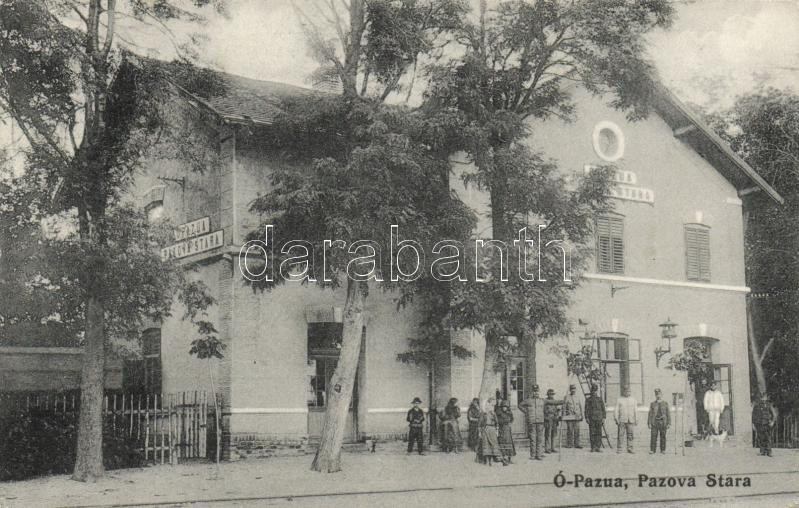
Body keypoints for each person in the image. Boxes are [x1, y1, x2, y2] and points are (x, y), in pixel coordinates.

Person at [519, 385, 545, 460]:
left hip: (540, 421)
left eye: (537, 391)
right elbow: (520, 405)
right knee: (533, 439)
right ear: (532, 392)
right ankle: (533, 455)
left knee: (540, 439)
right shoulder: (528, 400)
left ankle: (539, 455)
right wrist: (526, 412)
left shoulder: (542, 400)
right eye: (534, 391)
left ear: (539, 392)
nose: (536, 393)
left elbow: (553, 402)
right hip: (532, 422)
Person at [478, 397, 505, 465]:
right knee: (486, 445)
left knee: (494, 444)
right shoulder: (483, 413)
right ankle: (487, 460)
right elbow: (480, 424)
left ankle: (493, 459)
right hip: (485, 429)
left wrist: (497, 430)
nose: (492, 407)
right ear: (487, 405)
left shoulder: (493, 413)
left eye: (493, 406)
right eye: (491, 405)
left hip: (492, 429)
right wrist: (480, 432)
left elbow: (497, 422)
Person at [752, 392, 777, 457]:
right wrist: (753, 424)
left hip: (767, 423)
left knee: (768, 438)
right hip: (759, 424)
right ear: (760, 398)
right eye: (762, 397)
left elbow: (774, 414)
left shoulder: (769, 405)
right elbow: (754, 415)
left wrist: (772, 422)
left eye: (764, 397)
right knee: (761, 437)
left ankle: (769, 452)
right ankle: (762, 451)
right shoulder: (757, 405)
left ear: (766, 398)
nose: (763, 399)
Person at [614, 386, 637, 453]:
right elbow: (616, 410)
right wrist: (616, 418)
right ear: (623, 392)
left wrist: (636, 419)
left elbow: (635, 410)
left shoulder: (633, 400)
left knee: (630, 435)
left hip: (630, 420)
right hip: (622, 420)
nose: (627, 392)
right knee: (620, 434)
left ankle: (630, 448)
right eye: (626, 391)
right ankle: (619, 448)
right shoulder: (619, 400)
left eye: (629, 391)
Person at [647, 388, 670, 454]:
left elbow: (668, 414)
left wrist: (668, 423)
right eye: (656, 394)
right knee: (653, 436)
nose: (658, 396)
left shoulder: (665, 403)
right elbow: (650, 414)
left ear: (661, 394)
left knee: (663, 436)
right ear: (655, 395)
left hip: (663, 422)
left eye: (659, 394)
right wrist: (649, 423)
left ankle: (663, 450)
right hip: (655, 422)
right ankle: (652, 450)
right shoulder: (652, 404)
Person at [585, 384, 606, 452]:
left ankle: (598, 447)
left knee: (599, 433)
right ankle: (593, 447)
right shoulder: (588, 400)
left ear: (597, 391)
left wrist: (604, 418)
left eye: (595, 391)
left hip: (599, 418)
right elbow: (586, 410)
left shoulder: (600, 399)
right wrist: (587, 418)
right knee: (592, 433)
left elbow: (603, 409)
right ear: (591, 391)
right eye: (593, 391)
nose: (594, 392)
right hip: (592, 419)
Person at [562, 384, 584, 448]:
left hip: (577, 416)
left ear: (575, 390)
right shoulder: (566, 397)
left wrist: (582, 415)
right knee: (570, 430)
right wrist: (563, 415)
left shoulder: (578, 397)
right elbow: (564, 407)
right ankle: (569, 444)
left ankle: (577, 444)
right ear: (570, 390)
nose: (573, 390)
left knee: (577, 430)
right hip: (569, 416)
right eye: (572, 389)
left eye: (574, 389)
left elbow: (580, 407)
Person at [544, 388, 564, 453]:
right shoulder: (545, 401)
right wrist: (545, 418)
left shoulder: (555, 401)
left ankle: (553, 448)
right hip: (548, 420)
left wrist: (558, 412)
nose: (551, 395)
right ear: (548, 394)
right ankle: (547, 448)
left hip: (554, 420)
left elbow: (556, 410)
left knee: (554, 434)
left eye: (552, 394)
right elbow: (543, 411)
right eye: (550, 394)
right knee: (548, 434)